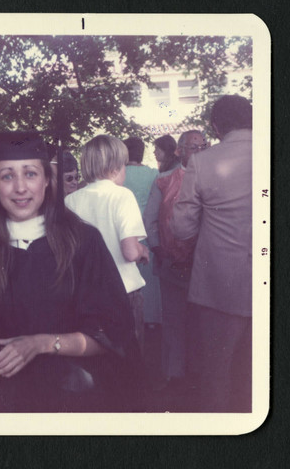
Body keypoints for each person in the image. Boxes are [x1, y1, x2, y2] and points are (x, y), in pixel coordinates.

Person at [0, 132, 141, 412]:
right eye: (6, 176)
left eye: (30, 174)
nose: (19, 188)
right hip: (7, 405)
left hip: (75, 401)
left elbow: (113, 335)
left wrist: (41, 344)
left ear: (47, 180)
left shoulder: (82, 243)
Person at [171, 95, 253, 412]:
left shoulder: (203, 162)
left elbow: (182, 228)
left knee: (217, 373)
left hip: (220, 284)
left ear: (216, 126)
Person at [65, 135, 149, 360]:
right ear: (114, 168)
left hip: (84, 294)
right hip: (123, 292)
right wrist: (144, 252)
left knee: (95, 359)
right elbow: (130, 251)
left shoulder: (70, 201)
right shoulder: (122, 196)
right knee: (128, 356)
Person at [143, 130, 208, 391]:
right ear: (180, 150)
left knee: (201, 321)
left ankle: (199, 372)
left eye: (203, 146)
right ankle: (174, 373)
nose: (199, 151)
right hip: (170, 263)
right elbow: (149, 221)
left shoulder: (213, 179)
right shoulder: (163, 181)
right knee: (173, 319)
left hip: (204, 266)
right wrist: (160, 251)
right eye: (193, 147)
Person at [123, 136, 161, 326]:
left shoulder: (119, 174)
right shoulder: (154, 174)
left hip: (125, 230)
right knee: (149, 277)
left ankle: (129, 316)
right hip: (147, 229)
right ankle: (151, 317)